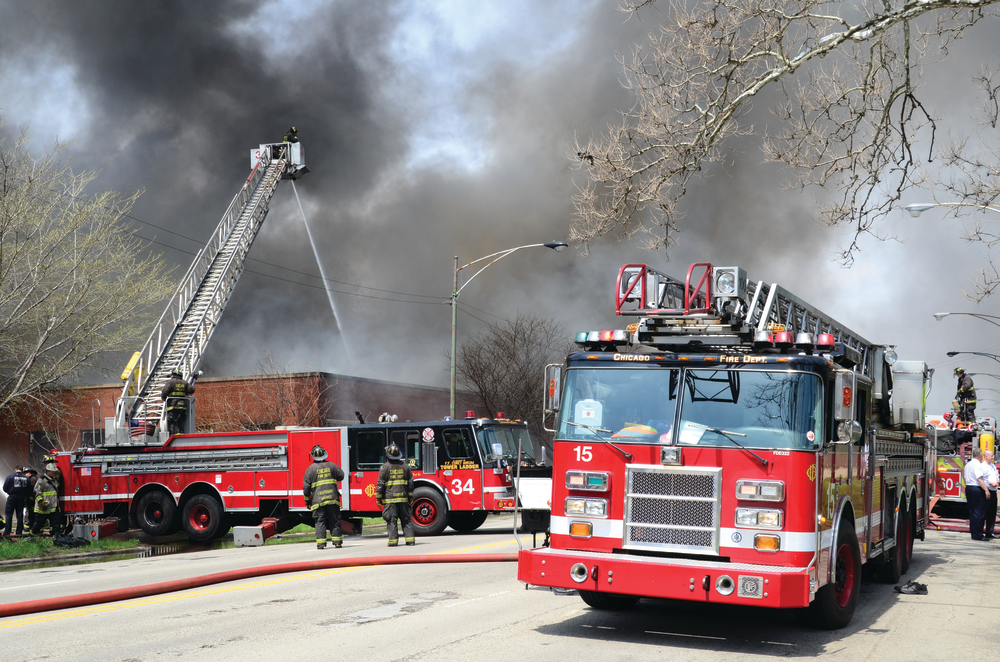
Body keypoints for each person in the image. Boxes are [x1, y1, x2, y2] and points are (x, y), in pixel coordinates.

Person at [302, 445, 345, 549]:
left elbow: (306, 489)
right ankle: (337, 542)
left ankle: (321, 544)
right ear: (324, 454)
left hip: (318, 501)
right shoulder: (332, 466)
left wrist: (307, 501)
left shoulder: (310, 469)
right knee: (334, 520)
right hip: (332, 499)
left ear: (313, 456)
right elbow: (341, 476)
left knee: (320, 521)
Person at [376, 443, 415, 547]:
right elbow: (411, 483)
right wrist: (410, 497)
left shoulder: (384, 468)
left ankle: (393, 541)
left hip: (390, 500)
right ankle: (410, 540)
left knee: (391, 520)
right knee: (406, 520)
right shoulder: (405, 466)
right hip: (404, 499)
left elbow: (380, 485)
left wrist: (378, 498)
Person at [964, 447, 991, 541]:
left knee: (972, 512)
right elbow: (979, 478)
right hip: (976, 489)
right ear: (980, 456)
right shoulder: (977, 465)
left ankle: (974, 533)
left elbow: (965, 478)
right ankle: (978, 535)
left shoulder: (968, 464)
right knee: (979, 512)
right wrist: (986, 490)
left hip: (968, 487)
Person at [160, 369, 195, 435]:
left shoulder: (170, 382)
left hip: (172, 407)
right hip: (182, 407)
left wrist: (163, 398)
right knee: (181, 424)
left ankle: (175, 439)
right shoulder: (184, 383)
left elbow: (164, 392)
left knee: (172, 424)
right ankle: (181, 438)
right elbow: (192, 389)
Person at [31, 464, 61, 536]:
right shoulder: (42, 480)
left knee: (55, 523)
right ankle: (32, 536)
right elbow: (36, 492)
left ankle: (55, 536)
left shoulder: (54, 480)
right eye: (52, 471)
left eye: (54, 471)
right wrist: (41, 502)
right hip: (43, 507)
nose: (53, 473)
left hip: (53, 507)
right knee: (39, 523)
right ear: (47, 471)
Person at [3, 466, 32, 537]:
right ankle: (19, 531)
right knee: (19, 515)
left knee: (9, 515)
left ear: (15, 469)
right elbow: (29, 489)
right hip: (22, 498)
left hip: (12, 497)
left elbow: (5, 488)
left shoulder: (10, 477)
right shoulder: (26, 478)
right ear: (22, 470)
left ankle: (7, 532)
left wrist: (10, 492)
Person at [984, 449, 999, 539]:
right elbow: (982, 479)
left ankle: (990, 532)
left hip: (994, 491)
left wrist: (997, 481)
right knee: (985, 512)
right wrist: (990, 483)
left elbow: (996, 475)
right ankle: (981, 531)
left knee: (992, 513)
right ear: (986, 456)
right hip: (987, 491)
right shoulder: (983, 466)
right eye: (991, 456)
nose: (993, 457)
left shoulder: (993, 466)